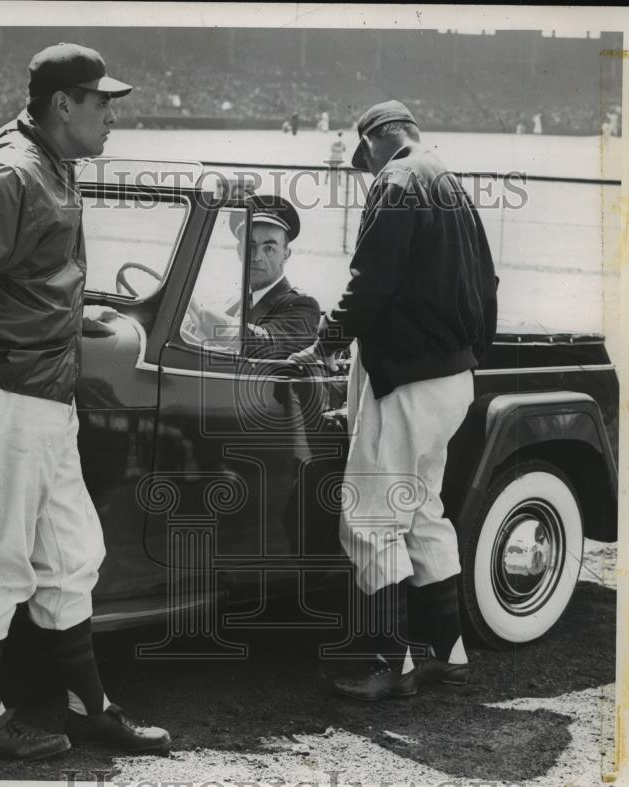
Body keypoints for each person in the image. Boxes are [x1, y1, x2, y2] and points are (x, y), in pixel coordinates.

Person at [0, 43, 171, 759]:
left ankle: (91, 708)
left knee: (74, 555)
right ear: (64, 105)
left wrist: (67, 319)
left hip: (41, 392)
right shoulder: (15, 171)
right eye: (103, 103)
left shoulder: (49, 162)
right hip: (7, 392)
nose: (112, 118)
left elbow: (22, 274)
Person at [289, 100, 498, 701]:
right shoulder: (448, 180)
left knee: (371, 521)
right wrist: (467, 352)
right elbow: (489, 283)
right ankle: (447, 657)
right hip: (452, 377)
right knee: (423, 513)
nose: (366, 170)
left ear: (381, 138)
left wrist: (324, 342)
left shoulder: (399, 178)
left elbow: (369, 281)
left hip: (405, 378)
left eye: (365, 156)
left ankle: (392, 663)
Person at [184, 195, 319, 359]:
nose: (256, 257)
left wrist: (208, 321)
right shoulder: (235, 302)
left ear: (285, 254)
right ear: (240, 251)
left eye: (269, 248)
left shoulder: (302, 306)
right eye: (250, 246)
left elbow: (264, 346)